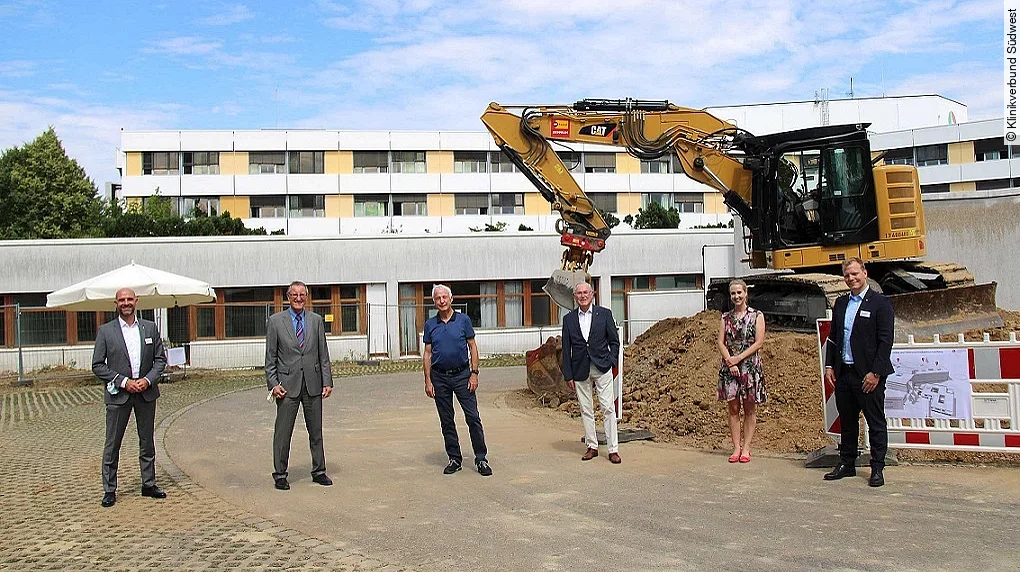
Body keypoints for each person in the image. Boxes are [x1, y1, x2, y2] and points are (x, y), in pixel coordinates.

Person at [92, 287, 168, 508]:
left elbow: (159, 360)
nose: (126, 303)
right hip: (119, 395)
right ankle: (109, 489)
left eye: (129, 299)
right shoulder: (106, 331)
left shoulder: (150, 328)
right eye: (121, 300)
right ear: (115, 303)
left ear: (136, 301)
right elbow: (97, 365)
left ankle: (148, 484)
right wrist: (124, 381)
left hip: (146, 393)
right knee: (112, 444)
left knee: (147, 441)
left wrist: (148, 380)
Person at [823, 257, 895, 487]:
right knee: (847, 421)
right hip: (845, 372)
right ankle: (847, 463)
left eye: (855, 274)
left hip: (868, 375)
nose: (851, 279)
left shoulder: (880, 303)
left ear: (865, 273)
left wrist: (876, 372)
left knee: (875, 421)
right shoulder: (842, 304)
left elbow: (885, 342)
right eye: (847, 276)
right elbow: (833, 337)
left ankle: (877, 467)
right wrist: (829, 365)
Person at [265, 281, 334, 490]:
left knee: (316, 431)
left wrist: (327, 381)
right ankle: (280, 474)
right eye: (294, 294)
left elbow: (323, 354)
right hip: (287, 386)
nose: (298, 298)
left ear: (307, 296)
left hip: (312, 384)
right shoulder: (276, 322)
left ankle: (319, 471)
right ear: (288, 297)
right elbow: (270, 358)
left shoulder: (316, 321)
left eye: (302, 294)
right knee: (283, 432)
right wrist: (273, 383)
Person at [423, 284, 492, 476]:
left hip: (463, 375)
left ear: (451, 299)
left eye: (445, 297)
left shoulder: (463, 320)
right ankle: (454, 458)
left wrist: (474, 373)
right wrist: (428, 381)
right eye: (438, 298)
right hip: (440, 378)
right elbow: (427, 354)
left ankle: (481, 458)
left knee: (473, 417)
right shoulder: (430, 325)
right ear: (434, 302)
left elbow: (472, 346)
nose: (442, 301)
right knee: (446, 420)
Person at [561, 281, 622, 463]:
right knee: (586, 409)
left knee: (608, 408)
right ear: (575, 296)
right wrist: (568, 375)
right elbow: (566, 349)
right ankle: (592, 446)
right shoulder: (569, 319)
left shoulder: (604, 314)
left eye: (586, 292)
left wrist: (612, 361)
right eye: (579, 293)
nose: (582, 296)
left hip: (602, 367)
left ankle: (613, 450)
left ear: (592, 294)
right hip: (580, 370)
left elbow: (614, 341)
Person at [716, 279, 767, 463]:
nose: (736, 296)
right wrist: (731, 361)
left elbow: (758, 342)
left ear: (746, 293)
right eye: (733, 294)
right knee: (733, 407)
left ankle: (747, 448)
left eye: (739, 293)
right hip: (730, 367)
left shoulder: (757, 316)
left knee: (749, 407)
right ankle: (736, 447)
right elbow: (721, 342)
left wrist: (739, 358)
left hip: (750, 366)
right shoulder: (725, 318)